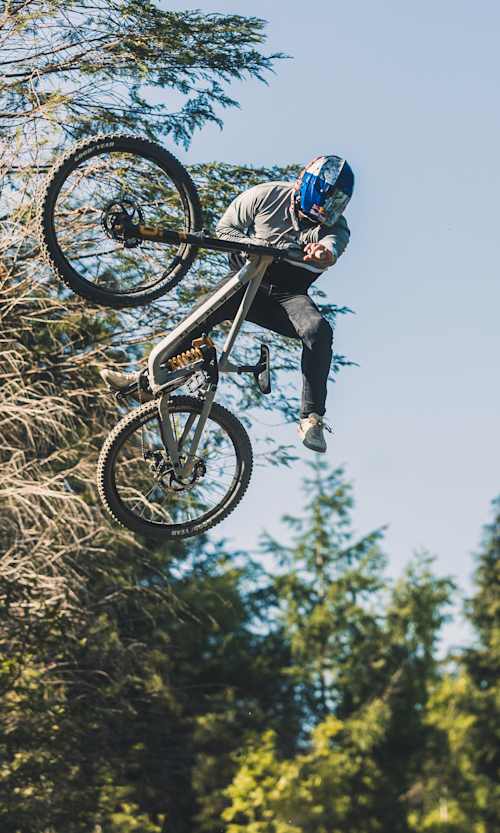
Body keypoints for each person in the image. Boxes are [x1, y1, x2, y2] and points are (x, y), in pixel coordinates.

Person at [102, 155, 354, 453]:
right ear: (304, 187)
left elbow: (332, 248)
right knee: (200, 316)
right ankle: (144, 379)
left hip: (288, 295)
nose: (317, 220)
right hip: (247, 280)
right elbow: (226, 229)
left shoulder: (336, 228)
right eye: (313, 212)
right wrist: (252, 248)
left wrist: (323, 253)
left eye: (327, 214)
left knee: (319, 331)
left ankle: (311, 418)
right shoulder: (266, 195)